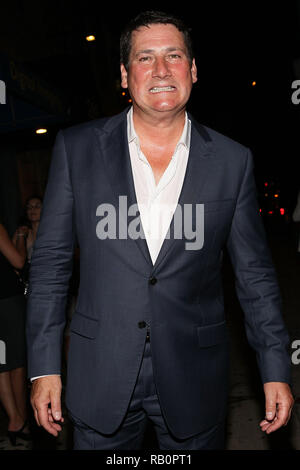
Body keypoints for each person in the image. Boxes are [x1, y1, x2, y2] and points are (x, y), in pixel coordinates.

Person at [26, 10, 294, 450]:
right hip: (100, 374)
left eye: (173, 56)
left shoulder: (232, 161)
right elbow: (51, 266)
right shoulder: (76, 150)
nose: (161, 70)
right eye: (145, 58)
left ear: (192, 69)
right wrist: (44, 367)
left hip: (195, 375)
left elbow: (256, 278)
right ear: (125, 75)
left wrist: (275, 367)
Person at [0, 222, 31, 445]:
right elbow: (18, 261)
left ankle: (16, 419)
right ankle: (19, 421)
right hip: (7, 300)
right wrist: (20, 236)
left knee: (2, 362)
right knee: (16, 362)